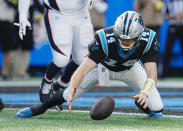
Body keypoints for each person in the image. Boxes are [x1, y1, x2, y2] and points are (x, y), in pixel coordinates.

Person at [15, 11, 164, 119]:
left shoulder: (149, 38)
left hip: (131, 69)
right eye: (122, 39)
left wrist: (144, 92)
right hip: (102, 68)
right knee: (68, 94)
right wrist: (73, 86)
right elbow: (83, 69)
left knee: (157, 107)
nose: (125, 42)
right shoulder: (104, 37)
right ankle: (39, 109)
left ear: (139, 35)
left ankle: (142, 103)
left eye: (129, 40)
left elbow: (152, 74)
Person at [17, 0, 94, 103]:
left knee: (82, 60)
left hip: (81, 13)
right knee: (61, 60)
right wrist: (22, 15)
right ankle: (47, 82)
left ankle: (60, 85)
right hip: (58, 14)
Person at [161, 0, 183, 79]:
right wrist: (174, 16)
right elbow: (164, 15)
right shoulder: (169, 3)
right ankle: (163, 74)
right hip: (172, 27)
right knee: (167, 51)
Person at [0, 0, 16, 80]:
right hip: (3, 20)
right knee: (7, 50)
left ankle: (5, 72)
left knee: (7, 49)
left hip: (7, 24)